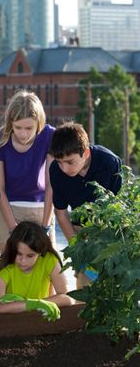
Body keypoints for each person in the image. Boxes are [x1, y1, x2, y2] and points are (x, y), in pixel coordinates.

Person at [48, 122, 122, 287]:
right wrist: (76, 247)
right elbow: (61, 212)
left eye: (70, 162)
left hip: (111, 232)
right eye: (59, 162)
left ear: (86, 152)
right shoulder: (55, 171)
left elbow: (121, 208)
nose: (64, 168)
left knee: (112, 287)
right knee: (85, 288)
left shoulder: (109, 163)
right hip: (80, 232)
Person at [0, 89, 55, 254]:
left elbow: (51, 185)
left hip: (39, 207)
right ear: (10, 122)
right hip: (5, 207)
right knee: (9, 266)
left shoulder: (50, 136)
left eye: (29, 128)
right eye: (18, 127)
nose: (23, 134)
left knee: (46, 267)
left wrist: (45, 226)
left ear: (38, 123)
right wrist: (13, 228)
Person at [0, 221, 73, 320]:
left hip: (40, 320)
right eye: (18, 253)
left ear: (40, 252)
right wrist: (34, 304)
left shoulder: (48, 260)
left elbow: (67, 298)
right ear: (12, 249)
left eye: (30, 255)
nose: (23, 261)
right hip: (10, 322)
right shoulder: (3, 267)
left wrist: (37, 304)